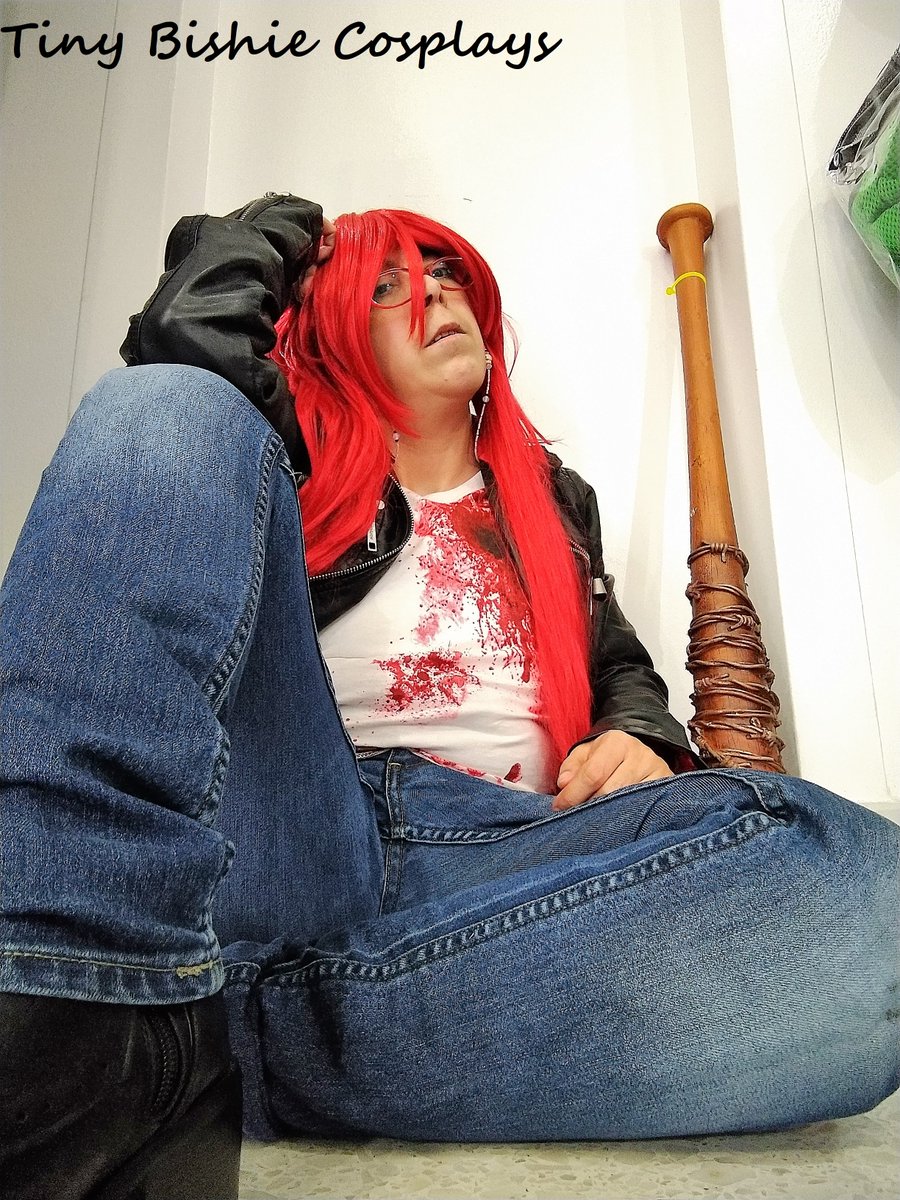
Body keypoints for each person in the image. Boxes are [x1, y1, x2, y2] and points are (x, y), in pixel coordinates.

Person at [1, 194, 897, 1194]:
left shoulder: (554, 500)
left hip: (500, 854)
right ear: (332, 323)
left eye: (446, 275)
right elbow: (184, 348)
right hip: (294, 831)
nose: (435, 295)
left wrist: (637, 731)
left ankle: (184, 1037)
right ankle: (70, 983)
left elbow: (618, 662)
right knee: (163, 406)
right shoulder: (279, 456)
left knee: (860, 888)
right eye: (388, 285)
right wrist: (273, 233)